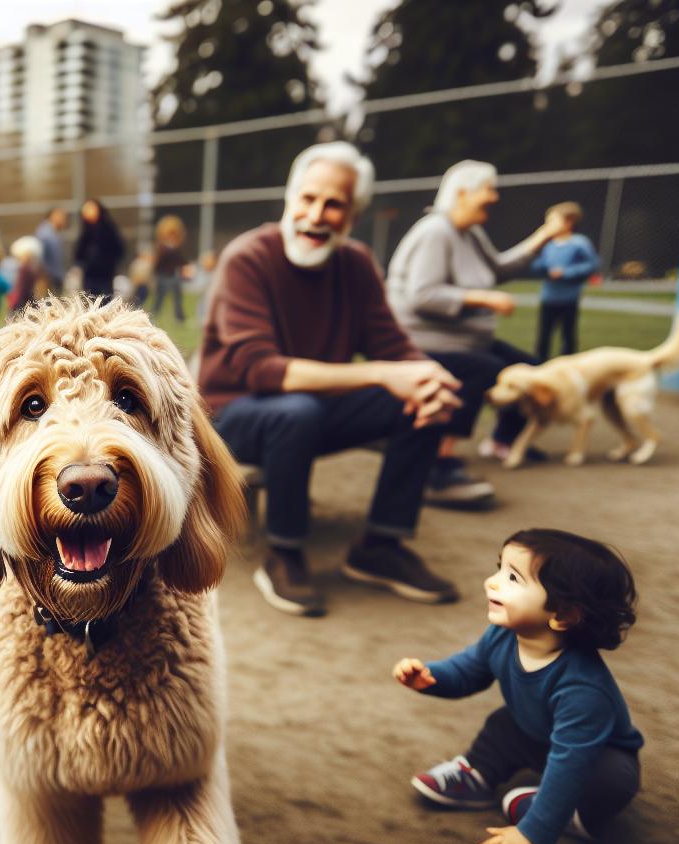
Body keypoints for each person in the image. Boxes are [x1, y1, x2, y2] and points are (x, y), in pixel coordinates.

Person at [199, 141, 465, 618]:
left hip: (312, 408)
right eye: (307, 198)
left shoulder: (356, 265)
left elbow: (393, 348)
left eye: (333, 204)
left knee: (420, 395)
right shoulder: (247, 259)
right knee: (295, 411)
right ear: (289, 199)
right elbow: (261, 370)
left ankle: (381, 546)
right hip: (234, 413)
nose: (316, 214)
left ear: (352, 216)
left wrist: (428, 377)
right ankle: (283, 553)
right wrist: (386, 374)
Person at [396, 528, 644, 844]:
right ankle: (478, 774)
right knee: (504, 723)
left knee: (609, 781)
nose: (491, 582)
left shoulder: (583, 690)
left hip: (596, 761)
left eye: (512, 578)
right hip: (540, 733)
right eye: (499, 568)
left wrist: (532, 832)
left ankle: (575, 814)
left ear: (563, 614)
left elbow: (570, 762)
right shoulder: (503, 634)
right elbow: (469, 669)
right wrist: (430, 677)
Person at [387, 160, 570, 497]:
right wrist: (481, 298)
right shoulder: (435, 232)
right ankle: (437, 466)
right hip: (426, 342)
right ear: (461, 193)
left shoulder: (470, 232)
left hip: (467, 341)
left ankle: (501, 440)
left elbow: (499, 268)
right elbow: (422, 295)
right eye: (489, 189)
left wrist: (544, 235)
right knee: (480, 372)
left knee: (530, 371)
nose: (495, 197)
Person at [531, 201, 599, 362]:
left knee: (568, 336)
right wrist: (544, 269)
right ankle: (539, 365)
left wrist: (566, 272)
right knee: (544, 336)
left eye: (552, 221)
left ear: (568, 222)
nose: (548, 225)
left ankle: (568, 367)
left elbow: (592, 265)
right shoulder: (547, 244)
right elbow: (536, 264)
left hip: (569, 299)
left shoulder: (579, 243)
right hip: (548, 298)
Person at [72, 198, 124, 300]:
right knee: (90, 300)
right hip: (89, 275)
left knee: (105, 301)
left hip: (105, 275)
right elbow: (79, 252)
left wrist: (109, 263)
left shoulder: (108, 228)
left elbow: (119, 249)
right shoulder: (85, 231)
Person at [149, 214, 189, 323]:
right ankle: (153, 314)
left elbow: (180, 260)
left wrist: (185, 267)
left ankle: (179, 317)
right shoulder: (161, 247)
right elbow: (158, 262)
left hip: (174, 274)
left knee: (177, 296)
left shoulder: (176, 247)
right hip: (162, 275)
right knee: (159, 296)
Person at [7, 235, 48, 314]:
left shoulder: (25, 269)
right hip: (24, 301)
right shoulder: (29, 269)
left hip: (23, 301)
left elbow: (22, 290)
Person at [34, 207, 68, 294]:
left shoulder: (52, 232)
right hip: (48, 279)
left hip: (54, 277)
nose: (64, 221)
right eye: (62, 217)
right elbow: (39, 257)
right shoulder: (45, 233)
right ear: (53, 216)